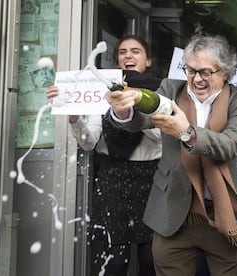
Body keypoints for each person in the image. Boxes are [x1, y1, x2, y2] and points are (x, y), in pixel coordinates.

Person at [104, 34, 237, 276]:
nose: (196, 79)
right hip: (173, 212)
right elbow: (142, 119)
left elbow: (230, 144)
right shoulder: (170, 89)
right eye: (191, 70)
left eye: (205, 72)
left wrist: (186, 132)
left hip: (222, 212)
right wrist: (124, 110)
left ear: (225, 72)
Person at [47, 35, 161, 276]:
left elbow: (164, 139)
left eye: (136, 51)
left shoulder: (162, 91)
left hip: (152, 179)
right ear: (117, 59)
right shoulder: (103, 88)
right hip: (114, 179)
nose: (128, 56)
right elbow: (89, 143)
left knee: (150, 259)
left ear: (148, 60)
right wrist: (75, 117)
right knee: (114, 261)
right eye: (122, 52)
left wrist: (134, 107)